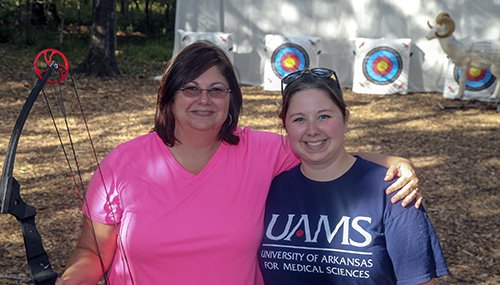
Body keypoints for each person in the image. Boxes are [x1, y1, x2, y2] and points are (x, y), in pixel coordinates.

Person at [56, 42, 421, 285]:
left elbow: (321, 150)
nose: (205, 99)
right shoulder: (124, 162)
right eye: (190, 88)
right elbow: (92, 253)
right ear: (168, 97)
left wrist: (393, 161)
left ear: (232, 99)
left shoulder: (260, 150)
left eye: (217, 90)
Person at [258, 68, 449, 285]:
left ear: (345, 118)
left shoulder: (391, 192)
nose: (312, 130)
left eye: (324, 116)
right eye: (299, 119)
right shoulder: (270, 189)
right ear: (285, 125)